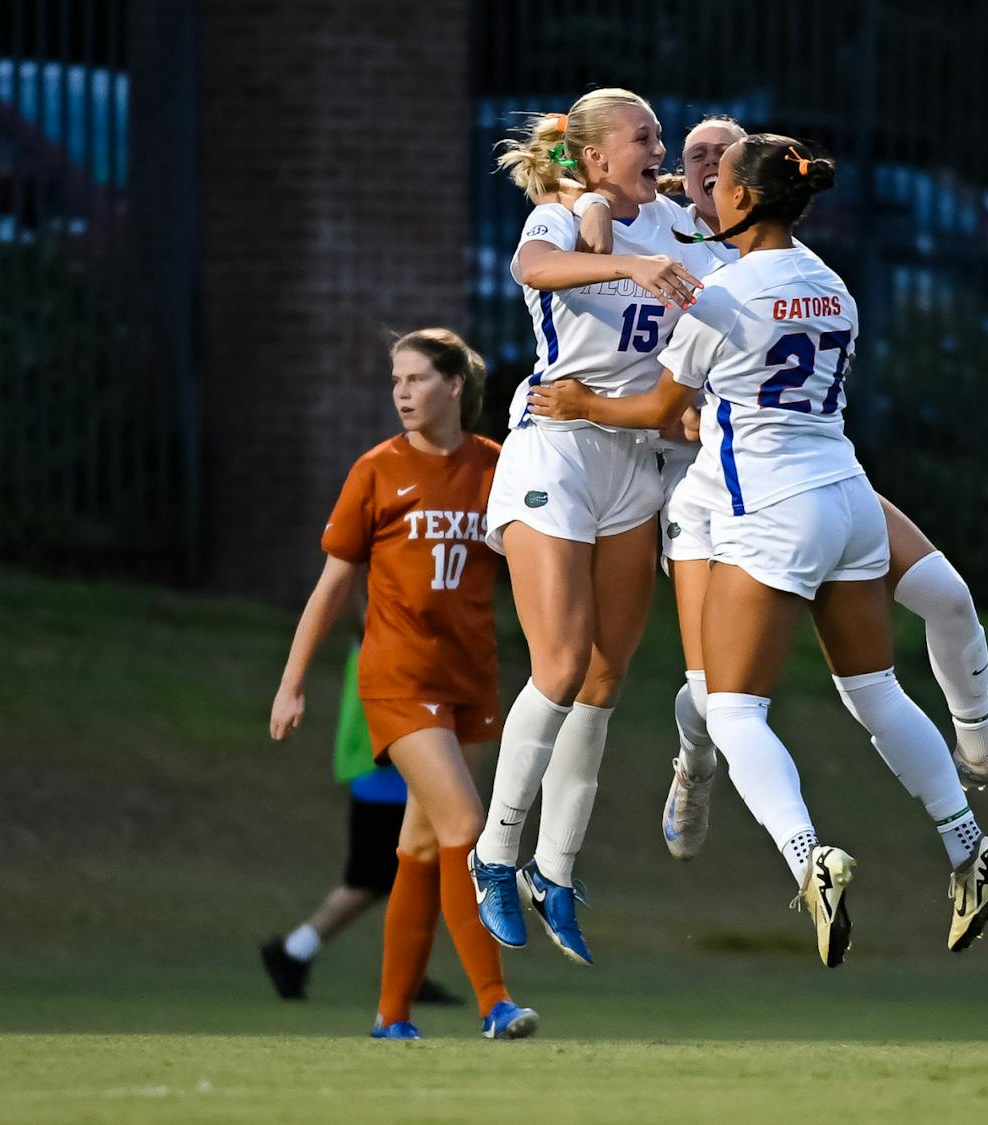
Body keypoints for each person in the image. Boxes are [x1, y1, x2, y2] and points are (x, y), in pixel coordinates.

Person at [530, 134, 988, 964]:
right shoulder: (833, 285)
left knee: (731, 708)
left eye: (717, 184)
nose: (705, 197)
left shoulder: (719, 296)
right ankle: (970, 845)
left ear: (747, 201)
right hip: (850, 497)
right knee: (875, 690)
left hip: (774, 508)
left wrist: (578, 402)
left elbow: (659, 411)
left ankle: (808, 855)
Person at [467, 88, 721, 967]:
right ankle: (494, 854)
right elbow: (534, 272)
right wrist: (625, 266)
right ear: (594, 157)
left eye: (661, 135)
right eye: (643, 136)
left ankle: (556, 868)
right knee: (562, 663)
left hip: (635, 459)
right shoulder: (563, 213)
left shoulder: (685, 229)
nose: (661, 147)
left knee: (607, 673)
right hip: (556, 449)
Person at [269, 327, 537, 1039]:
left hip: (470, 677)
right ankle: (494, 1001)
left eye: (416, 378)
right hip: (397, 677)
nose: (402, 392)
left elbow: (533, 560)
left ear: (454, 386)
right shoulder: (376, 470)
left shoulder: (495, 466)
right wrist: (291, 681)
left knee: (420, 847)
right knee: (467, 828)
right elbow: (332, 587)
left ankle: (391, 1016)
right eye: (396, 380)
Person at [260, 646, 463, 1007]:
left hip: (389, 778)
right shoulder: (382, 644)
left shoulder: (385, 640)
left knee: (391, 879)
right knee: (379, 879)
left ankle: (298, 954)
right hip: (388, 780)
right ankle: (296, 953)